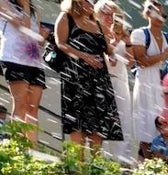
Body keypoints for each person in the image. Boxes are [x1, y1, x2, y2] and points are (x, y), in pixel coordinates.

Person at [55, 0, 122, 156]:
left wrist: (113, 51)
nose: (91, 3)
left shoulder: (97, 23)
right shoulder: (66, 17)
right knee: (77, 124)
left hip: (99, 79)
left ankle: (95, 173)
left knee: (98, 126)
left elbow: (107, 49)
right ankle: (79, 173)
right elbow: (60, 43)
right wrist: (84, 56)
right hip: (76, 77)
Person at [129, 0, 168, 160]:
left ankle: (164, 163)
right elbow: (142, 61)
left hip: (163, 85)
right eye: (157, 13)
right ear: (148, 13)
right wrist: (167, 52)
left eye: (163, 15)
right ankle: (148, 164)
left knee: (164, 124)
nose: (161, 17)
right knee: (146, 124)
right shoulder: (139, 34)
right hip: (145, 83)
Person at [0, 0, 45, 146]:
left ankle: (32, 148)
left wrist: (43, 36)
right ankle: (17, 146)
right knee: (20, 104)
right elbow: (23, 28)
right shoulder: (4, 3)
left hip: (34, 61)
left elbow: (37, 40)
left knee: (32, 108)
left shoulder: (34, 10)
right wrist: (25, 6)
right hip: (14, 58)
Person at [94, 0, 132, 164]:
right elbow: (109, 60)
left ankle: (122, 163)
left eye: (112, 13)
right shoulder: (95, 32)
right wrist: (114, 42)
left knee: (123, 124)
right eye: (105, 13)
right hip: (103, 82)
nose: (109, 17)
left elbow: (130, 62)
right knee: (102, 123)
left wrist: (127, 40)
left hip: (121, 82)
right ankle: (101, 163)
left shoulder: (122, 34)